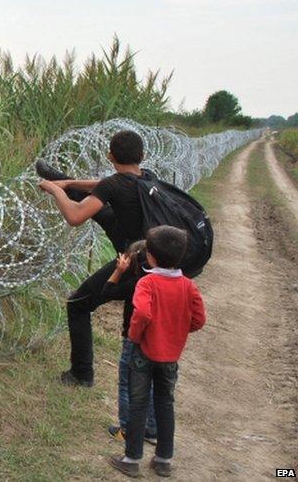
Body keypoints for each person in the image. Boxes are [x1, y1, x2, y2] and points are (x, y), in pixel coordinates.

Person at [38, 130, 150, 387]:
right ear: (141, 156)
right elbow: (104, 184)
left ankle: (81, 374)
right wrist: (69, 184)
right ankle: (64, 178)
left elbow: (75, 217)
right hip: (152, 258)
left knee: (78, 303)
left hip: (132, 263)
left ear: (110, 155)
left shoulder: (113, 185)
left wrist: (56, 191)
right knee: (105, 212)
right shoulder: (146, 178)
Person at [108, 225, 205, 478]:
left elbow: (141, 313)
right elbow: (199, 319)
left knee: (138, 404)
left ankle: (131, 459)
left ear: (149, 256)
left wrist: (136, 335)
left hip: (144, 352)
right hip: (171, 357)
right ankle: (163, 459)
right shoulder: (188, 286)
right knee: (165, 404)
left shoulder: (147, 283)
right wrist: (178, 331)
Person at [103, 240, 158, 445]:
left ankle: (126, 429)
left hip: (134, 339)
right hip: (157, 342)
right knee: (151, 383)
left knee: (127, 383)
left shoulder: (136, 284)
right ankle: (152, 430)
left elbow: (107, 292)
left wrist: (118, 271)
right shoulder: (164, 281)